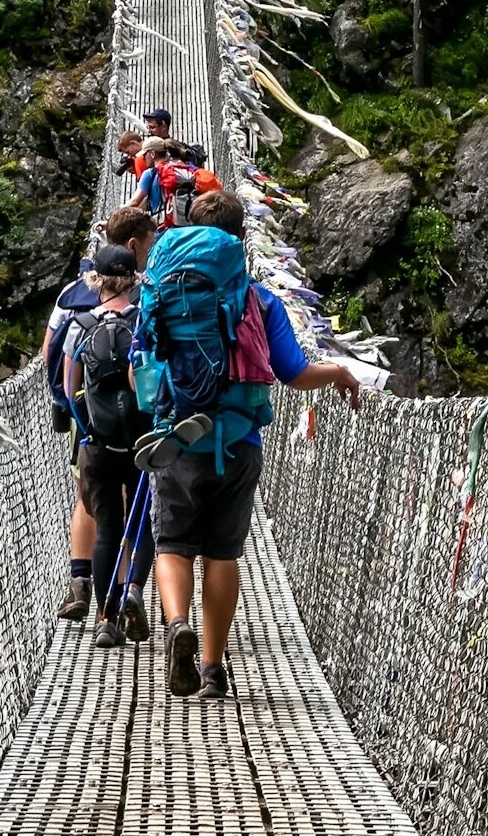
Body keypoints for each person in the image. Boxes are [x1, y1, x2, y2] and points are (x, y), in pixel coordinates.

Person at [140, 190, 362, 699]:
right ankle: (214, 667)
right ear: (242, 239)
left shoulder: (161, 288)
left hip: (176, 438)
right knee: (223, 553)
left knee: (172, 545)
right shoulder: (260, 300)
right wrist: (339, 371)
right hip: (239, 440)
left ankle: (177, 626)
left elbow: (142, 368)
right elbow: (293, 372)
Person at [44, 207, 157, 621]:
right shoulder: (146, 308)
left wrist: (72, 412)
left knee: (95, 507)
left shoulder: (73, 301)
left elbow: (53, 359)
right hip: (141, 432)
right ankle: (132, 590)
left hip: (93, 429)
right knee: (139, 507)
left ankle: (89, 591)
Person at [125, 137, 221, 227]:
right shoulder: (183, 167)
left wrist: (118, 213)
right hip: (190, 222)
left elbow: (135, 201)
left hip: (165, 226)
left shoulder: (150, 173)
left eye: (144, 155)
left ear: (152, 154)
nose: (143, 158)